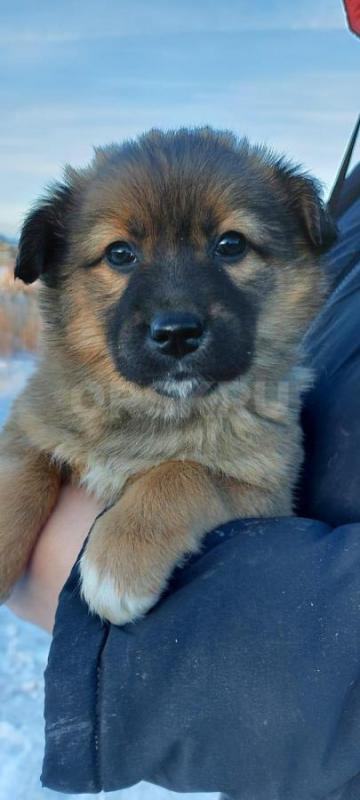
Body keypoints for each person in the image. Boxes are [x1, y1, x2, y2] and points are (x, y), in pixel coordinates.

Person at [7, 157, 360, 800]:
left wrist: (169, 497)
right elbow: (27, 440)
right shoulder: (354, 193)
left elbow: (260, 490)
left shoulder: (262, 403)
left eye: (230, 246)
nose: (174, 310)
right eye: (119, 254)